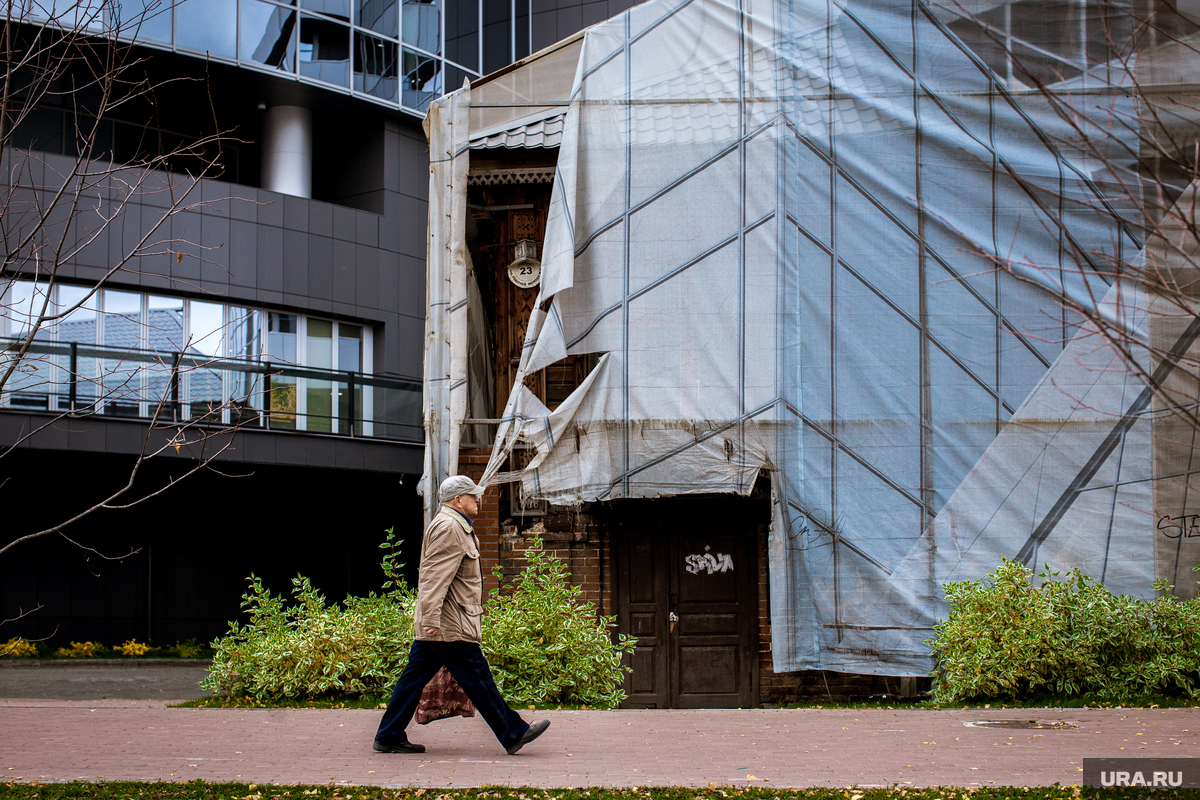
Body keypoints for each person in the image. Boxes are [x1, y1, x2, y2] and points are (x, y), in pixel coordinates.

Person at [373, 475, 551, 755]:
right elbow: (433, 577)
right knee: (478, 678)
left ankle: (388, 734)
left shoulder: (457, 526)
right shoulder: (449, 527)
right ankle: (513, 732)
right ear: (458, 500)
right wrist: (430, 618)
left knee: (413, 680)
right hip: (448, 623)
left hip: (446, 621)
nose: (478, 500)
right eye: (473, 496)